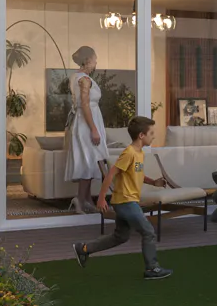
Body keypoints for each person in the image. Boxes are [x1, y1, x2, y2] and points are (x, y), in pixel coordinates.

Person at [72, 117, 172, 280]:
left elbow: (136, 174)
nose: (154, 136)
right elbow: (111, 174)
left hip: (127, 202)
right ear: (141, 135)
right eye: (151, 133)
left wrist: (154, 182)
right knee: (148, 232)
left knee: (120, 237)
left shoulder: (139, 154)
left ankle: (83, 249)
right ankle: (152, 268)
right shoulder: (129, 153)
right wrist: (101, 198)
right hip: (126, 202)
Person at [65, 45, 109, 214]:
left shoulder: (75, 77)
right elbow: (84, 104)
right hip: (87, 123)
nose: (96, 62)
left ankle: (86, 199)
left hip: (82, 122)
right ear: (88, 60)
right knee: (89, 161)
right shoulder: (85, 79)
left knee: (90, 160)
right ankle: (80, 200)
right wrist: (94, 129)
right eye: (95, 59)